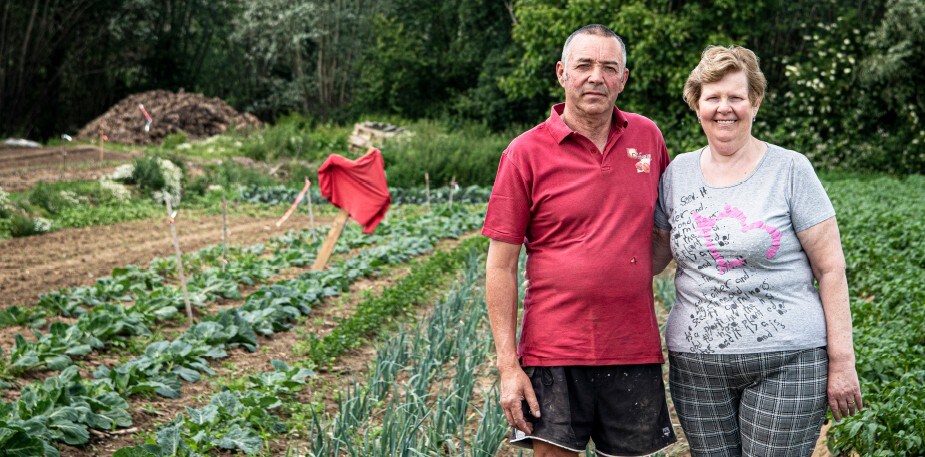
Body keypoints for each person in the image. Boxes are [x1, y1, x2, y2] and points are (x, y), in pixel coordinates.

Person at [652, 45, 863, 456]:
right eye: (712, 97)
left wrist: (842, 362)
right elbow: (653, 257)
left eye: (736, 96)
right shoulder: (676, 172)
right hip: (696, 369)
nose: (724, 108)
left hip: (787, 359)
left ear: (755, 101)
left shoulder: (790, 169)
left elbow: (832, 269)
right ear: (697, 105)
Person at [483, 24, 677, 456]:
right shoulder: (525, 152)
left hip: (633, 348)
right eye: (584, 65)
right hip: (554, 351)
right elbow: (500, 266)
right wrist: (507, 365)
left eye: (610, 67)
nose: (596, 77)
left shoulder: (648, 137)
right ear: (561, 73)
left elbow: (667, 228)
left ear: (623, 79)